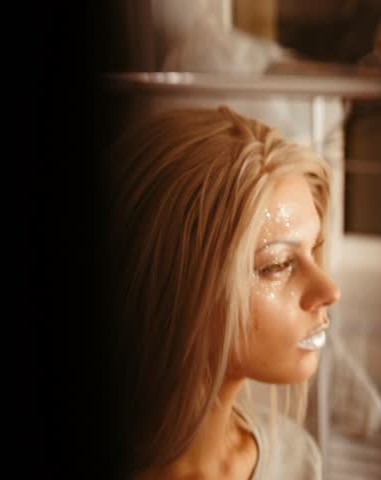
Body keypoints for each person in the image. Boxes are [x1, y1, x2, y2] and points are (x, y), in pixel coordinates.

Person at [103, 106, 341, 480]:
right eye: (278, 264)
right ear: (179, 284)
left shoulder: (297, 462)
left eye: (314, 249)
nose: (329, 291)